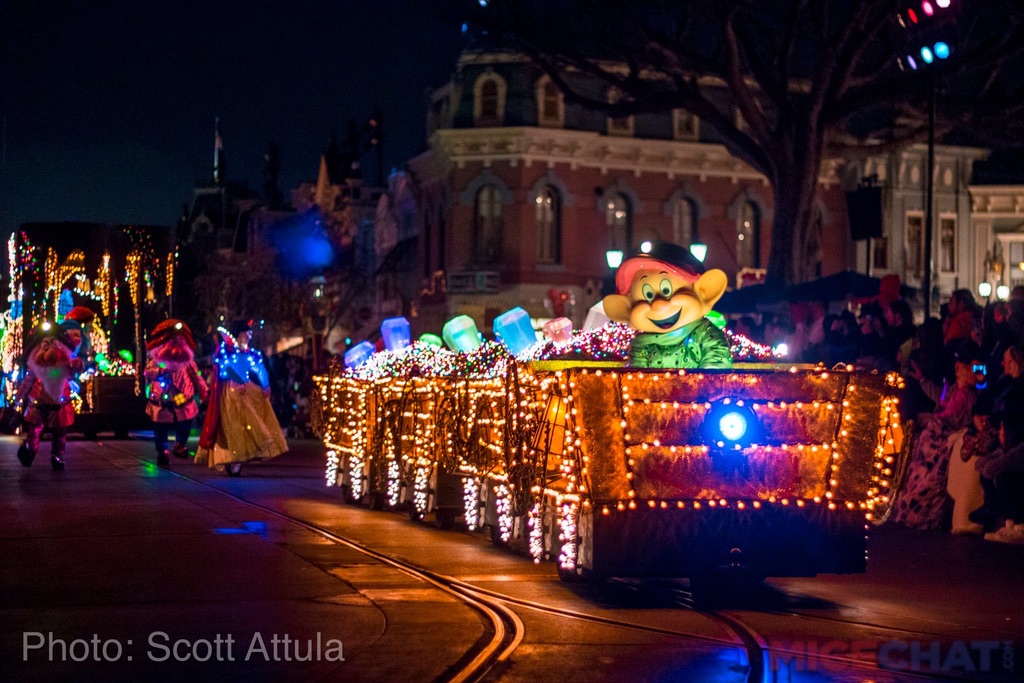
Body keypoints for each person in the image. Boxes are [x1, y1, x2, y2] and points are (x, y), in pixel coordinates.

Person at [893, 341, 980, 530]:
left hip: (947, 432)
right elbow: (941, 399)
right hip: (943, 427)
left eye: (960, 368)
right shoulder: (957, 390)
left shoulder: (964, 394)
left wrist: (930, 417)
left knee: (924, 444)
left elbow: (948, 414)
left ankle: (918, 507)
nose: (956, 370)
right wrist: (923, 380)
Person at [196, 320, 288, 476]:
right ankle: (231, 456)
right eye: (248, 331)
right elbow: (225, 369)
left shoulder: (251, 354)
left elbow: (260, 370)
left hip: (246, 390)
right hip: (230, 392)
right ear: (240, 333)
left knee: (248, 423)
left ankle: (239, 456)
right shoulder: (228, 351)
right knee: (232, 423)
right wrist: (238, 381)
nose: (250, 334)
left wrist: (265, 386)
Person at [144, 319, 208, 467]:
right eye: (172, 339)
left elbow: (197, 378)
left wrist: (205, 393)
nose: (176, 342)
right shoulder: (157, 361)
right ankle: (162, 452)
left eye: (180, 339)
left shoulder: (188, 362)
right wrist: (160, 371)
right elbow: (147, 373)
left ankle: (180, 445)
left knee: (185, 424)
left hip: (184, 402)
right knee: (160, 429)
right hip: (161, 403)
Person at [15, 323, 78, 471]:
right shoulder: (36, 367)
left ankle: (58, 456)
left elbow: (71, 376)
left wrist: (73, 368)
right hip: (40, 401)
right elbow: (27, 381)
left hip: (59, 402)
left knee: (60, 433)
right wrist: (18, 398)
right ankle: (30, 449)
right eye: (45, 344)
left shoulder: (65, 364)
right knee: (35, 430)